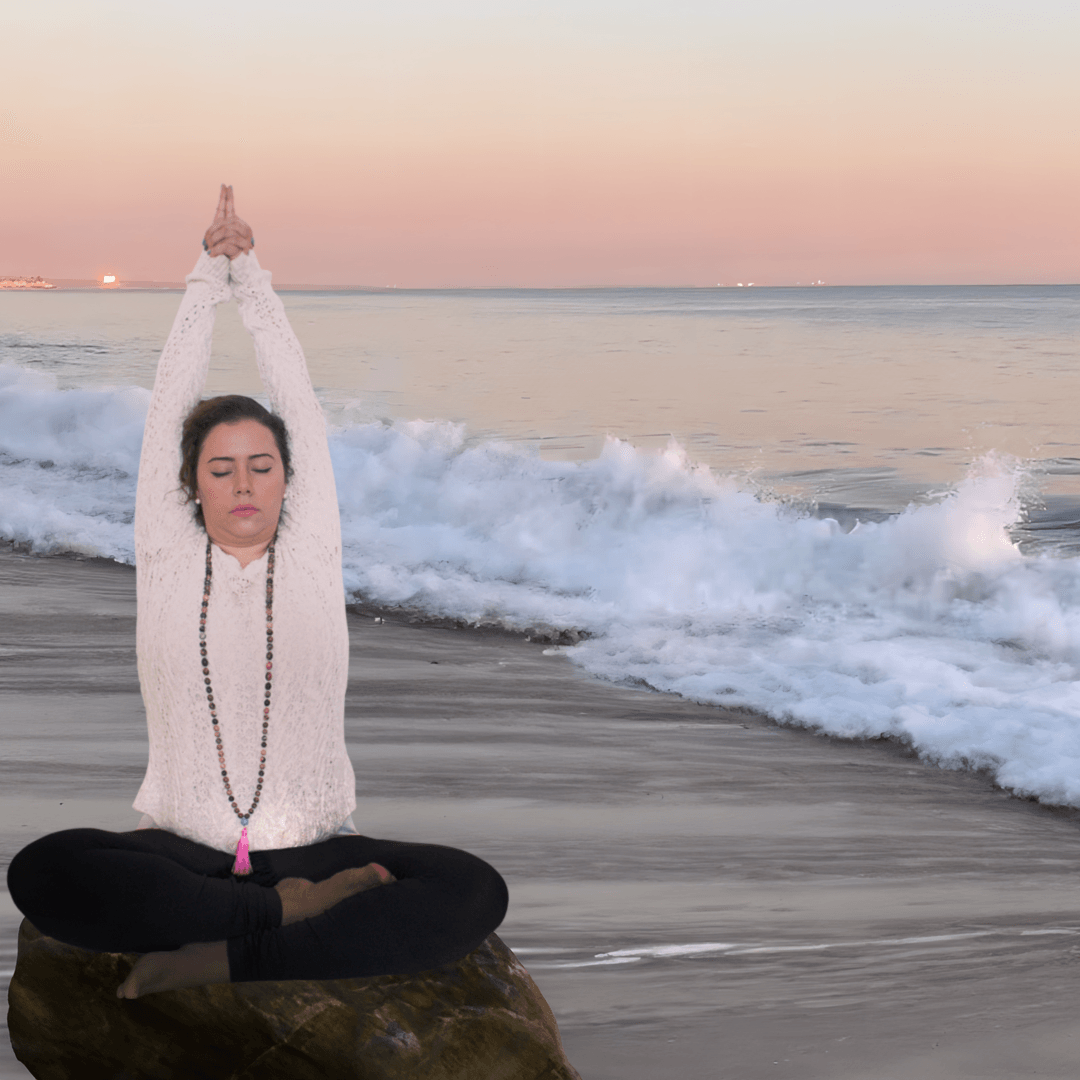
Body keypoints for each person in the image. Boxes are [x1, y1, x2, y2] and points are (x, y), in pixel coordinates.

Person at [6, 186, 508, 999]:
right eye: (221, 468)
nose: (243, 483)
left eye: (261, 466)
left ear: (286, 480)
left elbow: (297, 401)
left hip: (317, 848)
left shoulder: (311, 552)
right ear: (192, 486)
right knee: (44, 868)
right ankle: (281, 918)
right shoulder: (167, 555)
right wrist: (209, 274)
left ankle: (229, 954)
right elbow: (170, 404)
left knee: (474, 889)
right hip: (182, 850)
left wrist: (255, 279)